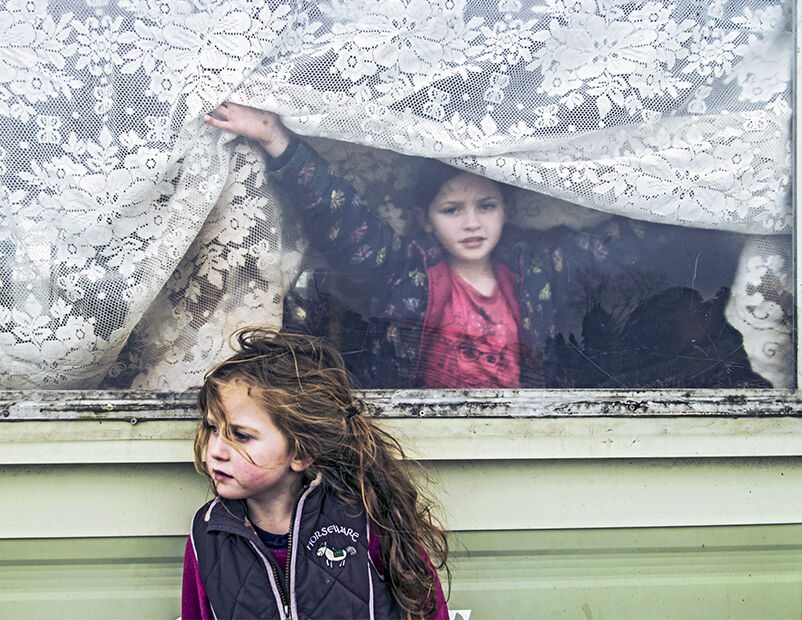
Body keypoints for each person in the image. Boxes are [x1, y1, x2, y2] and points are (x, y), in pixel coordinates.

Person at [203, 102, 764, 390]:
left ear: (506, 210)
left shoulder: (540, 269)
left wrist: (724, 189)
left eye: (486, 206)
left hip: (521, 431)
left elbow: (624, 243)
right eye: (452, 209)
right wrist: (278, 139)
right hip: (428, 435)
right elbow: (342, 219)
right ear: (425, 220)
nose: (471, 224)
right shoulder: (405, 275)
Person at [181, 328, 449, 620]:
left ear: (300, 453)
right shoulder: (208, 533)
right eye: (213, 428)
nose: (216, 450)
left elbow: (426, 608)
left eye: (241, 435)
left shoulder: (365, 518)